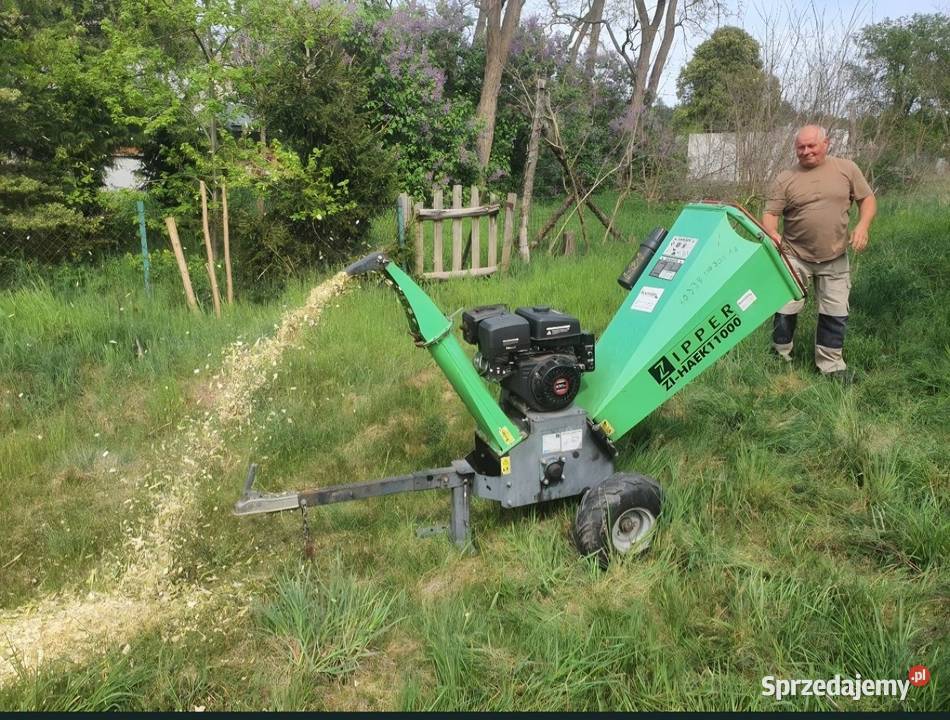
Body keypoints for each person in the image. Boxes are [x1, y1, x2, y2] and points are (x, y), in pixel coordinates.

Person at [762, 125, 877, 383]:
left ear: (826, 143)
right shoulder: (785, 178)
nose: (806, 151)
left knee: (835, 311)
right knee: (785, 308)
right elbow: (770, 215)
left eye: (811, 145)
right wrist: (773, 235)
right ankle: (780, 357)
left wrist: (863, 226)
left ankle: (831, 366)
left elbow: (867, 199)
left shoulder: (846, 169)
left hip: (835, 256)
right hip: (794, 255)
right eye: (800, 147)